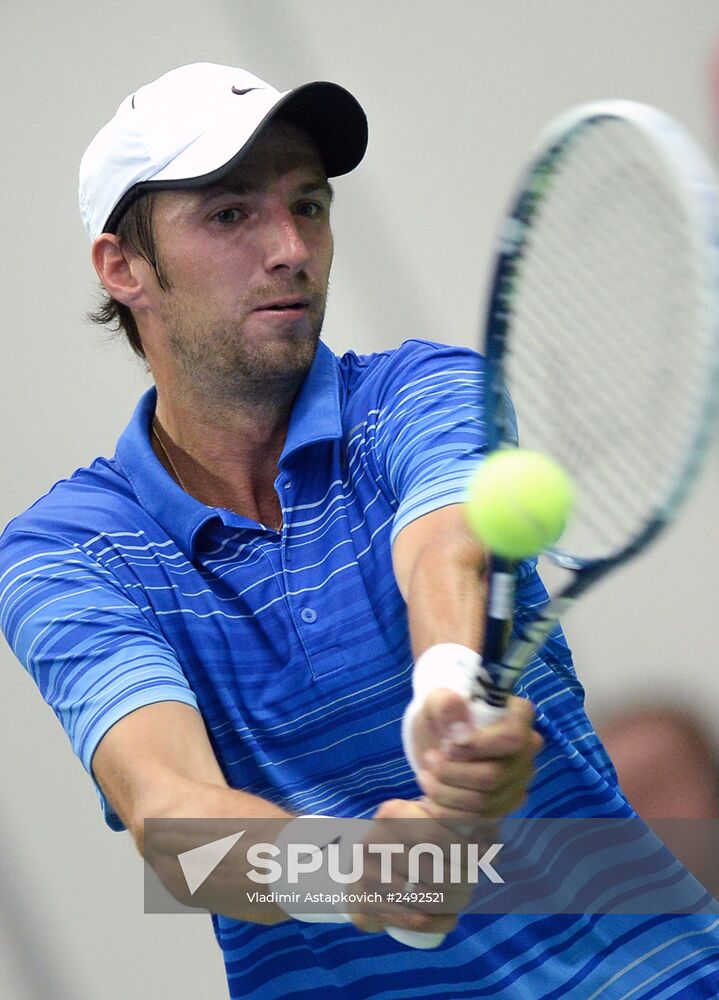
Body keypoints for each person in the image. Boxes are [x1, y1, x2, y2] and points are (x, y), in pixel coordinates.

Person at [0, 61, 717, 999]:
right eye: (230, 214)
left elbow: (446, 551)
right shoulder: (67, 553)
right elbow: (172, 822)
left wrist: (448, 695)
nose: (291, 246)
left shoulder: (423, 391)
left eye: (309, 204)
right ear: (122, 267)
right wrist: (360, 876)